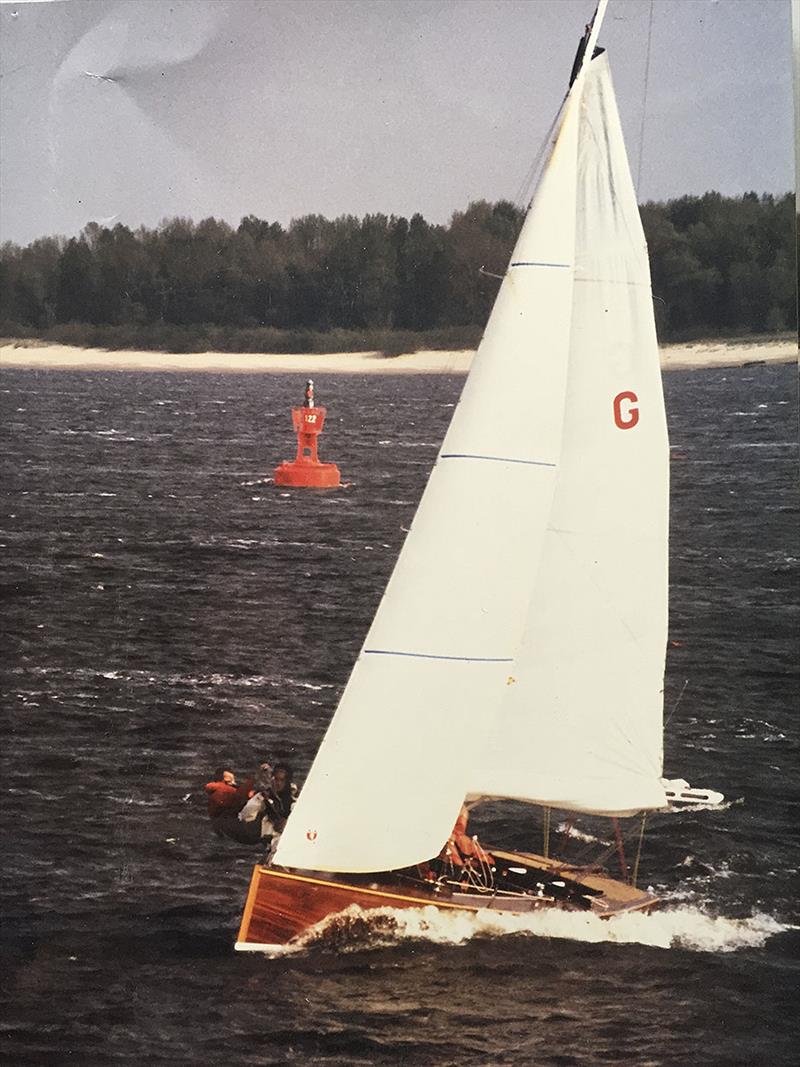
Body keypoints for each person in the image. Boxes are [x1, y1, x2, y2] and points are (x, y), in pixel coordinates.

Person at [205, 767, 256, 843]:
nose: (233, 784)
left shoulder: (226, 792)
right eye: (229, 782)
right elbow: (238, 795)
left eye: (233, 781)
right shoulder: (219, 792)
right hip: (223, 831)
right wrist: (254, 779)